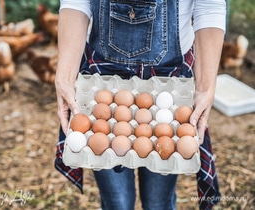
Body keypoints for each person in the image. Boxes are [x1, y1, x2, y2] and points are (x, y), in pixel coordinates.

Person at [54, 0, 226, 209]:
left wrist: (206, 86)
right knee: (118, 203)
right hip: (103, 82)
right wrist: (64, 77)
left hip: (169, 82)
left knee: (158, 203)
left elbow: (210, 6)